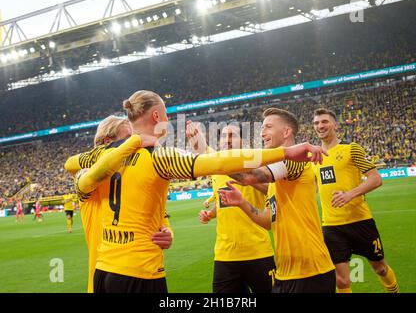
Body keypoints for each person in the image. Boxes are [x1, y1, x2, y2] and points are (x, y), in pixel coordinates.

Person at [66, 90, 326, 293]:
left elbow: (71, 165)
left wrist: (166, 227)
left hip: (102, 269)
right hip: (139, 271)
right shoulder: (161, 157)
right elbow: (217, 163)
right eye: (166, 114)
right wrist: (287, 151)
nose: (168, 120)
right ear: (156, 116)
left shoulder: (103, 154)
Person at [218, 108, 336, 293]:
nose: (262, 132)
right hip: (285, 273)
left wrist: (207, 161)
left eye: (268, 127)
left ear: (286, 132)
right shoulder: (276, 179)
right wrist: (242, 203)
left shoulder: (297, 159)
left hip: (311, 271)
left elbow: (250, 177)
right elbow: (268, 221)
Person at [65, 115, 173, 293]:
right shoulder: (89, 179)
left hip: (141, 274)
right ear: (108, 142)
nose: (135, 143)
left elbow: (159, 212)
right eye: (128, 138)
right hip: (104, 277)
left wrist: (168, 232)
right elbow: (70, 164)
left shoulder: (134, 177)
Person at [312, 108, 399, 293]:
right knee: (342, 281)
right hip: (331, 226)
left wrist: (350, 194)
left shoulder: (352, 149)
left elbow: (376, 178)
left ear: (335, 124)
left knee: (381, 268)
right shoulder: (314, 157)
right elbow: (313, 188)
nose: (320, 126)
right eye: (316, 123)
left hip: (360, 222)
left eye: (324, 121)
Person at [187, 121, 275, 293]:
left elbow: (270, 190)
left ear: (243, 141)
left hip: (257, 251)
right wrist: (211, 214)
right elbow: (223, 201)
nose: (226, 140)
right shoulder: (215, 164)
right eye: (223, 137)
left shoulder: (256, 162)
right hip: (225, 255)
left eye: (232, 136)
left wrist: (247, 178)